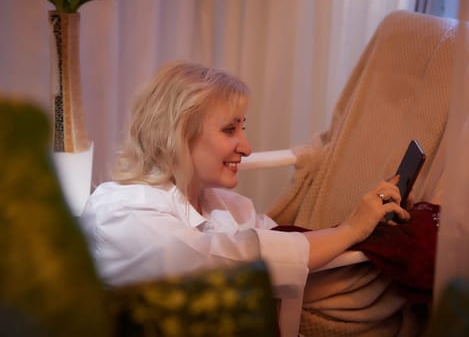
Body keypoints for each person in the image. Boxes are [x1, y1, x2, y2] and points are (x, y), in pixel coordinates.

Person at [79, 61, 410, 336]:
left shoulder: (229, 206)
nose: (247, 147)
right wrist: (351, 229)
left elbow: (291, 246)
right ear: (177, 135)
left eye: (243, 128)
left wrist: (366, 227)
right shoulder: (123, 214)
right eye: (229, 130)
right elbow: (236, 259)